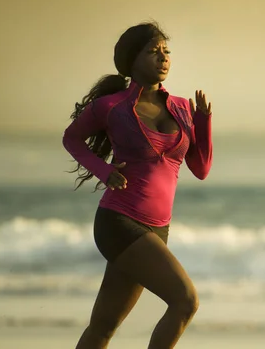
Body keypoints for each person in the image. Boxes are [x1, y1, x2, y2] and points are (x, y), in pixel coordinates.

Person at [62, 22, 213, 349]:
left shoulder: (183, 108)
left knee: (103, 327)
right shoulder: (111, 107)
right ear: (132, 60)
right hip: (119, 221)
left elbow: (200, 169)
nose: (163, 58)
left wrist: (203, 122)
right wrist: (103, 170)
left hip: (157, 228)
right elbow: (71, 138)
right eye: (153, 51)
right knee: (185, 300)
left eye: (166, 52)